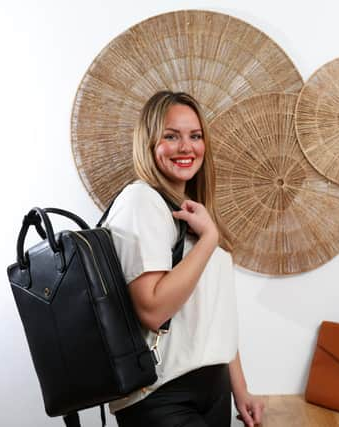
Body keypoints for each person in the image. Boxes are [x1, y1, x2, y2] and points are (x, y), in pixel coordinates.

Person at [103, 91, 264, 427]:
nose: (186, 147)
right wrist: (209, 240)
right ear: (149, 142)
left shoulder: (192, 209)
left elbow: (214, 312)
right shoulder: (141, 201)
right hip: (161, 393)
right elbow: (153, 309)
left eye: (195, 136)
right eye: (171, 136)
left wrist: (240, 388)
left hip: (213, 387)